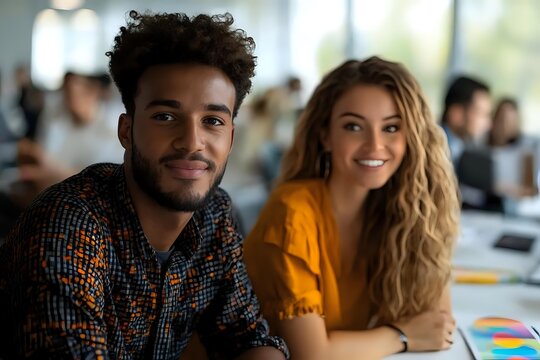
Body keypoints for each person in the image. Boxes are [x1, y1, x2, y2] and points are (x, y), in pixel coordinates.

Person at [0, 10, 288, 359]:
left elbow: (248, 339)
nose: (191, 141)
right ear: (126, 131)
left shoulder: (214, 214)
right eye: (165, 117)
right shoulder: (69, 225)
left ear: (230, 138)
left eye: (212, 120)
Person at [244, 56, 460, 359]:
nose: (374, 145)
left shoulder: (399, 213)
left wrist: (429, 211)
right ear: (325, 136)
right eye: (354, 126)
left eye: (392, 127)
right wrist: (402, 335)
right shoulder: (293, 213)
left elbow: (438, 325)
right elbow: (312, 354)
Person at [440, 75, 492, 166]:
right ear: (456, 114)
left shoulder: (462, 150)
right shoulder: (432, 150)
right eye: (481, 114)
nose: (489, 124)